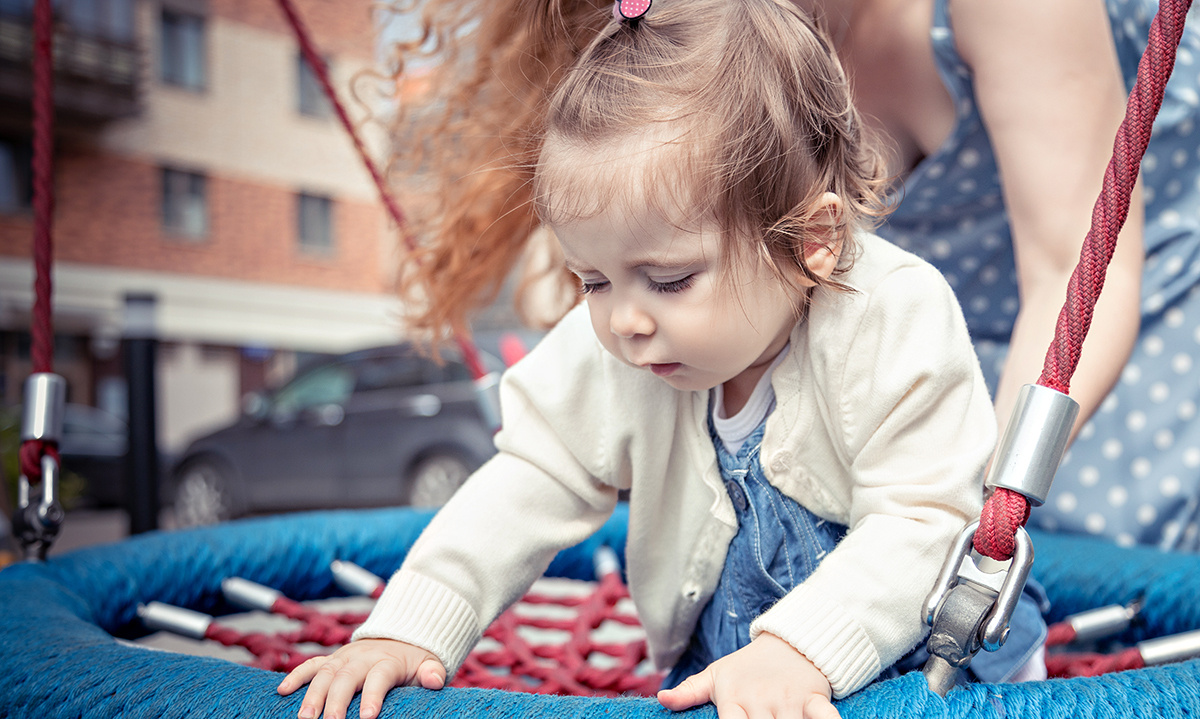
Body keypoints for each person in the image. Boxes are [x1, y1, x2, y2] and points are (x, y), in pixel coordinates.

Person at [279, 1, 1015, 719]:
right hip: (730, 679)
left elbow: (929, 521)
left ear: (812, 240)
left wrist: (797, 651)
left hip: (936, 676)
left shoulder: (891, 315)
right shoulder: (623, 346)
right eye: (591, 279)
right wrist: (405, 630)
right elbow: (526, 481)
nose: (624, 319)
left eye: (669, 280)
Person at [383, 0, 1200, 552]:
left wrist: (977, 506)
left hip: (1111, 325)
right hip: (905, 344)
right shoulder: (719, 31)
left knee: (1062, 585)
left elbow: (1075, 270)